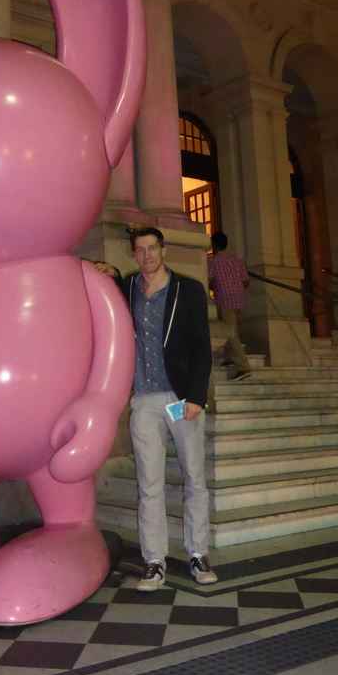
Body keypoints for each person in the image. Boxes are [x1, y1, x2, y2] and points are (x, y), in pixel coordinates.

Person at [97, 227, 216, 591]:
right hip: (145, 400)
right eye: (140, 250)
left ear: (163, 250)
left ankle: (197, 553)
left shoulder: (188, 289)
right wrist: (111, 273)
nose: (147, 255)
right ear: (134, 255)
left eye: (152, 248)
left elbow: (202, 346)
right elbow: (110, 297)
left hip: (181, 400)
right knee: (149, 484)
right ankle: (154, 562)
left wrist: (196, 396)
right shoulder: (131, 288)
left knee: (194, 477)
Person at [208, 231, 251, 381]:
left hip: (225, 300)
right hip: (239, 300)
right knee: (230, 328)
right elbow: (246, 281)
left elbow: (207, 279)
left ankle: (243, 367)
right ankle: (229, 357)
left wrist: (214, 287)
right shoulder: (236, 261)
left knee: (232, 334)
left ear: (213, 245)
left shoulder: (213, 262)